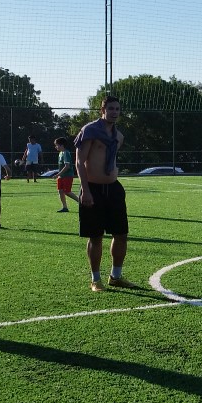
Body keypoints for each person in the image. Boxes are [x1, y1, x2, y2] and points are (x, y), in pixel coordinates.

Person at [75, 96, 132, 290]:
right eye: (111, 109)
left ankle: (116, 276)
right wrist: (86, 191)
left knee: (121, 234)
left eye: (117, 109)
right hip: (93, 189)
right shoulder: (90, 131)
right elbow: (80, 162)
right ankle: (95, 279)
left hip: (114, 188)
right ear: (102, 110)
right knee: (96, 236)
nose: (115, 112)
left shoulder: (119, 136)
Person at [54, 137, 77, 212]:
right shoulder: (60, 153)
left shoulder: (66, 153)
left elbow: (67, 166)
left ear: (61, 145)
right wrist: (59, 175)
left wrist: (58, 174)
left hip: (67, 176)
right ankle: (65, 207)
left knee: (67, 192)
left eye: (57, 145)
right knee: (60, 191)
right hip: (61, 176)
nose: (56, 147)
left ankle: (82, 203)